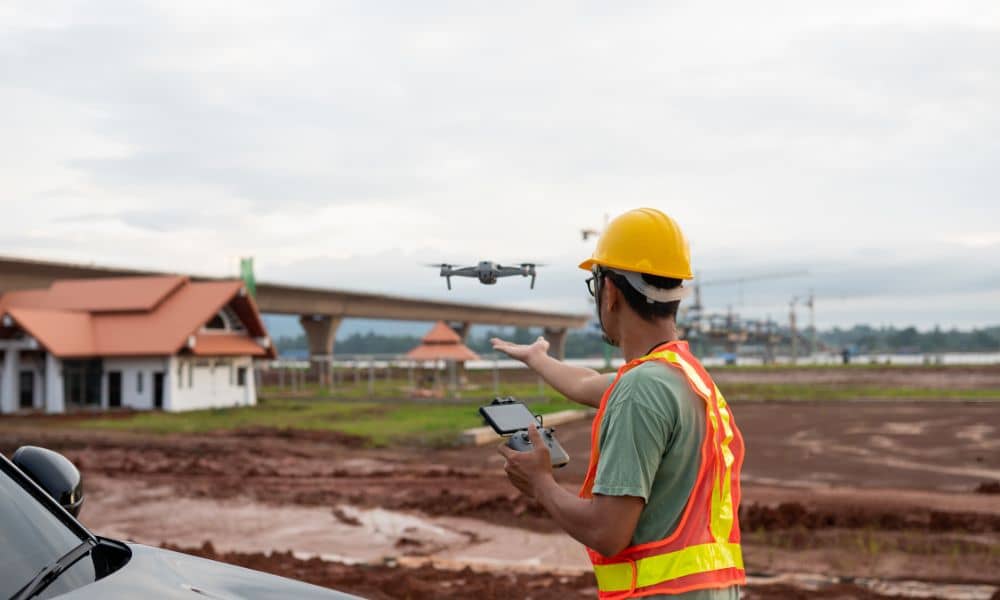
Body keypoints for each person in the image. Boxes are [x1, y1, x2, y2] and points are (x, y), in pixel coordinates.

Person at [491, 208, 745, 599]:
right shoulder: (682, 375)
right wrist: (538, 358)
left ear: (609, 292)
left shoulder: (642, 388)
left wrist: (541, 483)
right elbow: (589, 383)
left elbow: (606, 532)